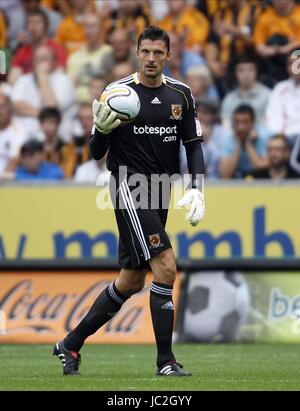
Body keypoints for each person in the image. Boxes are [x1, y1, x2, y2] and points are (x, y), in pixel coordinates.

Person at [53, 26, 205, 377]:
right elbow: (95, 153)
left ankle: (70, 344)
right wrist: (102, 130)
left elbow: (193, 146)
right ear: (137, 53)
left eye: (158, 53)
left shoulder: (181, 95)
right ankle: (165, 362)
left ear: (168, 55)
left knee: (132, 281)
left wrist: (196, 187)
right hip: (128, 188)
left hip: (161, 190)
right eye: (146, 52)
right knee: (166, 265)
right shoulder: (116, 94)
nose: (151, 59)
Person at [9, 9, 67, 85]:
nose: (33, 27)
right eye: (30, 23)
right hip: (27, 90)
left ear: (46, 26)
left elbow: (60, 74)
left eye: (37, 23)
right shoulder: (22, 52)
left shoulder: (56, 49)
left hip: (51, 87)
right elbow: (12, 79)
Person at [219, 104, 272, 178]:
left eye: (245, 122)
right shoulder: (228, 138)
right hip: (238, 181)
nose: (240, 127)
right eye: (237, 122)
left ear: (253, 122)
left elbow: (261, 169)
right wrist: (238, 144)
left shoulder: (264, 136)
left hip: (262, 182)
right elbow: (225, 175)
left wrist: (248, 143)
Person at [221, 55, 271, 128]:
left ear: (257, 72)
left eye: (250, 69)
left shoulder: (268, 96)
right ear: (235, 73)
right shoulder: (229, 99)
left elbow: (271, 124)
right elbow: (226, 128)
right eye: (241, 70)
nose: (246, 74)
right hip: (235, 138)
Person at [265, 50, 300, 145]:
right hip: (283, 140)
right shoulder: (280, 88)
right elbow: (273, 117)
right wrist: (279, 136)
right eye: (290, 64)